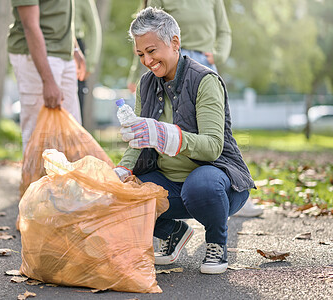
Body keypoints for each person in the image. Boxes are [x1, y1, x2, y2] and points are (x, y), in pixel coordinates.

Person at [113, 7, 256, 274]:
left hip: (218, 182)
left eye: (152, 51)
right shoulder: (146, 84)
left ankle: (216, 243)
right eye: (141, 54)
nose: (147, 60)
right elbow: (140, 141)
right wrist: (122, 170)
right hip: (170, 183)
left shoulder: (205, 80)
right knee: (123, 195)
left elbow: (213, 146)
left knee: (200, 186)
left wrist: (168, 135)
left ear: (175, 43)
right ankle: (173, 231)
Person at [128, 0, 263, 218]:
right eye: (139, 55)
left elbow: (224, 29)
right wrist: (137, 73)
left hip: (198, 58)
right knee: (168, 128)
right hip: (165, 56)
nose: (143, 58)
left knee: (214, 133)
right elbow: (143, 31)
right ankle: (185, 192)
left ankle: (228, 189)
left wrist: (218, 55)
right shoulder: (149, 60)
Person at [7, 0, 86, 152]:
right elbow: (30, 25)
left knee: (72, 132)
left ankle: (64, 176)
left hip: (65, 53)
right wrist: (48, 81)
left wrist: (74, 47)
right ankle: (34, 177)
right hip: (38, 55)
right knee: (39, 135)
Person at [75, 0, 102, 124]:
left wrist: (90, 63)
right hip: (49, 44)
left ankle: (75, 140)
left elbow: (93, 28)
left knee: (76, 100)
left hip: (76, 47)